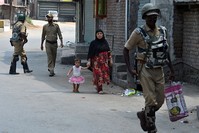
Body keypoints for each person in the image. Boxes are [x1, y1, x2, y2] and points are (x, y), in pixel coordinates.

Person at [123, 3, 175, 133]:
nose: (153, 19)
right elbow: (126, 49)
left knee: (160, 100)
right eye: (150, 17)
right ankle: (152, 128)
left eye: (155, 17)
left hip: (159, 69)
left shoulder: (162, 31)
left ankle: (143, 114)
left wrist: (172, 69)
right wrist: (130, 69)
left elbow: (165, 51)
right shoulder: (138, 33)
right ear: (145, 17)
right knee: (150, 100)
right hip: (145, 70)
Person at [87, 29, 112, 94]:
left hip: (104, 62)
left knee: (104, 75)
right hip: (96, 62)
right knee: (98, 74)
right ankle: (100, 89)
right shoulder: (93, 43)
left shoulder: (105, 42)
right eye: (98, 34)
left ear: (103, 34)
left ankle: (98, 86)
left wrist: (110, 60)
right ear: (96, 35)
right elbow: (90, 53)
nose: (99, 35)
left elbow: (108, 51)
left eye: (101, 33)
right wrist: (89, 61)